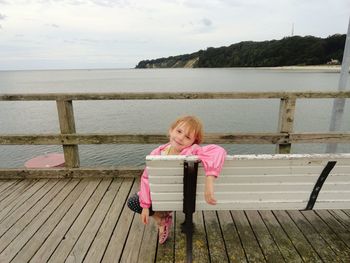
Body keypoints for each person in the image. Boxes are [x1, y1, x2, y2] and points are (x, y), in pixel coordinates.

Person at [127, 115, 227, 244]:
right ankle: (161, 219)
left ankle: (161, 219)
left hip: (176, 198)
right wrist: (145, 206)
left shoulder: (192, 151)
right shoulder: (157, 152)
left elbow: (219, 150)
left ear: (193, 142)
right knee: (136, 202)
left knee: (134, 201)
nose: (180, 137)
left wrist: (209, 180)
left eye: (187, 137)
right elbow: (146, 178)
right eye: (179, 131)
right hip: (169, 197)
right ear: (171, 130)